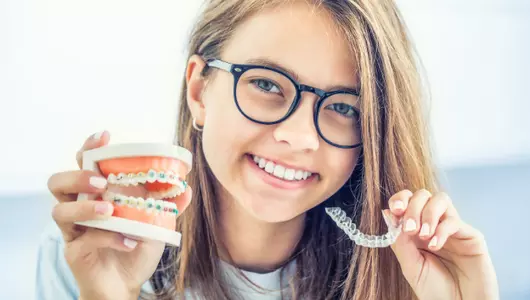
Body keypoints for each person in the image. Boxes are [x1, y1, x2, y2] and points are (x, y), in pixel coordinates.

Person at [36, 0, 499, 299]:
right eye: (264, 84)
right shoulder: (81, 258)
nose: (300, 136)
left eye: (345, 107)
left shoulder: (406, 278)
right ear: (199, 90)